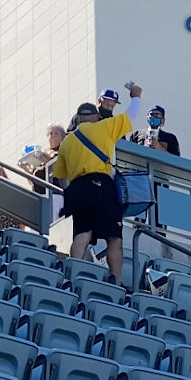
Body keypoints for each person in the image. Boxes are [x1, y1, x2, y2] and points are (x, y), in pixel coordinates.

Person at [51, 101, 134, 281]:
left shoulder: (66, 142)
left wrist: (71, 194)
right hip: (102, 184)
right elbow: (131, 114)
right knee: (114, 237)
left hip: (77, 188)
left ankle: (72, 274)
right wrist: (136, 96)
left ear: (78, 119)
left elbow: (61, 177)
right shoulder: (104, 127)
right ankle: (116, 279)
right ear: (97, 117)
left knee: (83, 233)